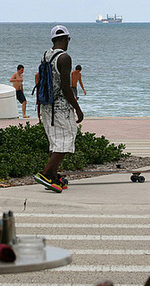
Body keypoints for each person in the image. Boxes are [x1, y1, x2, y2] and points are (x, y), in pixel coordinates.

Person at [34, 25, 84, 193]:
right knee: (67, 140)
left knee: (55, 141)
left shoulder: (46, 55)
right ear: (65, 39)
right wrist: (77, 108)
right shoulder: (64, 58)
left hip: (47, 105)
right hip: (61, 107)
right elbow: (65, 87)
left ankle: (53, 176)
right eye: (68, 39)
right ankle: (46, 173)